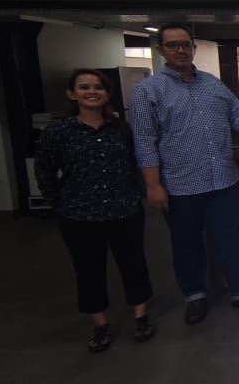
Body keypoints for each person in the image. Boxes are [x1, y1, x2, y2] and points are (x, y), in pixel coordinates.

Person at [128, 23, 239, 326]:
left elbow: (238, 118)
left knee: (232, 238)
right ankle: (195, 296)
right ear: (160, 50)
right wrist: (152, 185)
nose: (181, 50)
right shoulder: (148, 91)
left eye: (185, 44)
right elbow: (144, 141)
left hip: (223, 179)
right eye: (173, 45)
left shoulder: (213, 84)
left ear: (194, 48)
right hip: (180, 184)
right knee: (187, 244)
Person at [35, 69, 155, 353]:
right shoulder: (59, 131)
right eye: (84, 87)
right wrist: (58, 203)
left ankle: (141, 317)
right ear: (72, 94)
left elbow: (135, 163)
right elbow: (45, 170)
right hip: (79, 215)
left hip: (124, 211)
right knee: (88, 271)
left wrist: (139, 193)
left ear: (107, 93)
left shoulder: (121, 129)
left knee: (134, 264)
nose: (92, 91)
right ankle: (100, 325)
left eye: (98, 87)